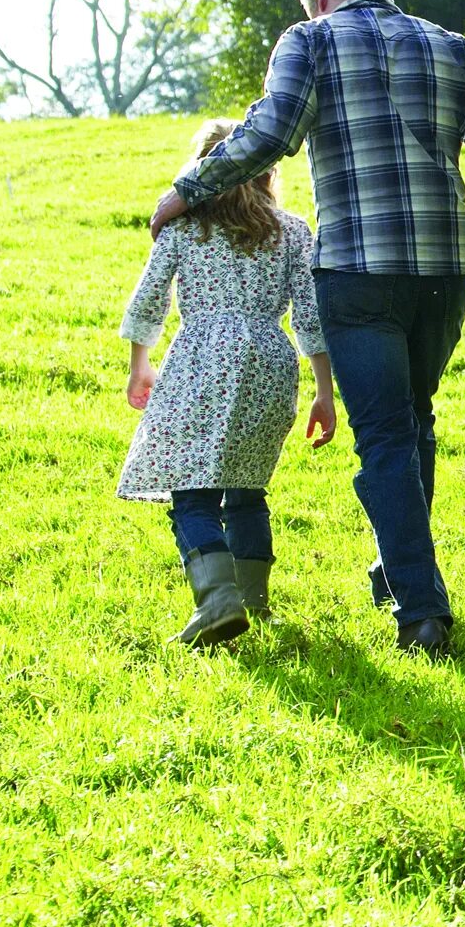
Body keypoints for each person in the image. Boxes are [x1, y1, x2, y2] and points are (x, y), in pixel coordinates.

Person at [152, 0, 465, 660]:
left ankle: (421, 611)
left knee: (383, 433)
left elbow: (271, 133)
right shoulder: (450, 46)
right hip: (445, 268)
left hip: (357, 267)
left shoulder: (309, 40)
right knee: (412, 418)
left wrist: (188, 189)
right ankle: (398, 566)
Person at [120, 118, 339, 647]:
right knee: (246, 489)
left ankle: (219, 601)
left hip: (201, 359)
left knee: (193, 495)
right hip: (270, 363)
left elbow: (150, 298)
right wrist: (324, 393)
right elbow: (312, 318)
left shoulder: (185, 227)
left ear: (202, 170)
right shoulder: (291, 231)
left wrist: (140, 363)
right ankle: (252, 603)